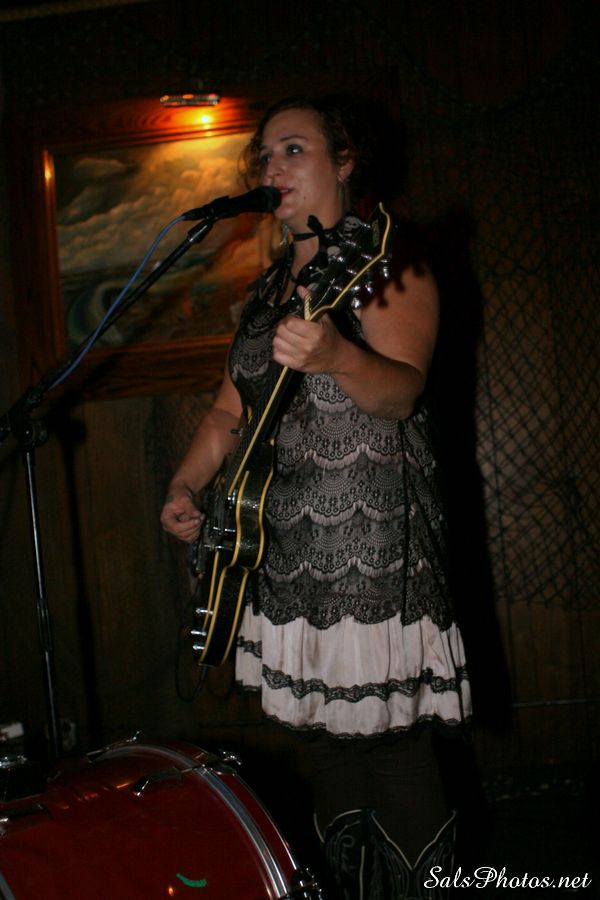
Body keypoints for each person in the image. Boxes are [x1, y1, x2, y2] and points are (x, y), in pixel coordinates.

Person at [160, 95, 471, 899]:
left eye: (293, 149)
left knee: (392, 746)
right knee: (323, 748)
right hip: (284, 554)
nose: (272, 167)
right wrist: (186, 481)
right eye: (264, 155)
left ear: (345, 162)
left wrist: (337, 355)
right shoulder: (266, 292)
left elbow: (402, 393)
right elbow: (227, 411)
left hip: (372, 554)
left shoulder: (388, 267)